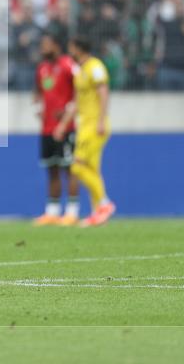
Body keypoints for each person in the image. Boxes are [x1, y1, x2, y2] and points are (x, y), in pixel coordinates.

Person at [54, 36, 116, 227]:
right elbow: (77, 102)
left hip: (94, 126)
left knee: (77, 166)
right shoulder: (80, 71)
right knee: (92, 170)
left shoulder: (94, 67)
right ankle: (98, 212)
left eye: (71, 48)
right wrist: (63, 124)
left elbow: (104, 92)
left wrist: (101, 120)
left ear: (79, 49)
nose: (69, 52)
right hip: (84, 125)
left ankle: (105, 204)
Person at [32, 33, 80, 226]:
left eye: (47, 44)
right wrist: (39, 106)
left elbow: (80, 90)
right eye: (42, 45)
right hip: (47, 128)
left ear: (56, 46)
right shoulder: (42, 68)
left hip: (66, 127)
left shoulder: (68, 65)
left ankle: (72, 212)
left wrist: (69, 111)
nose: (43, 48)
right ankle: (52, 212)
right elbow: (39, 92)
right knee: (51, 169)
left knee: (70, 169)